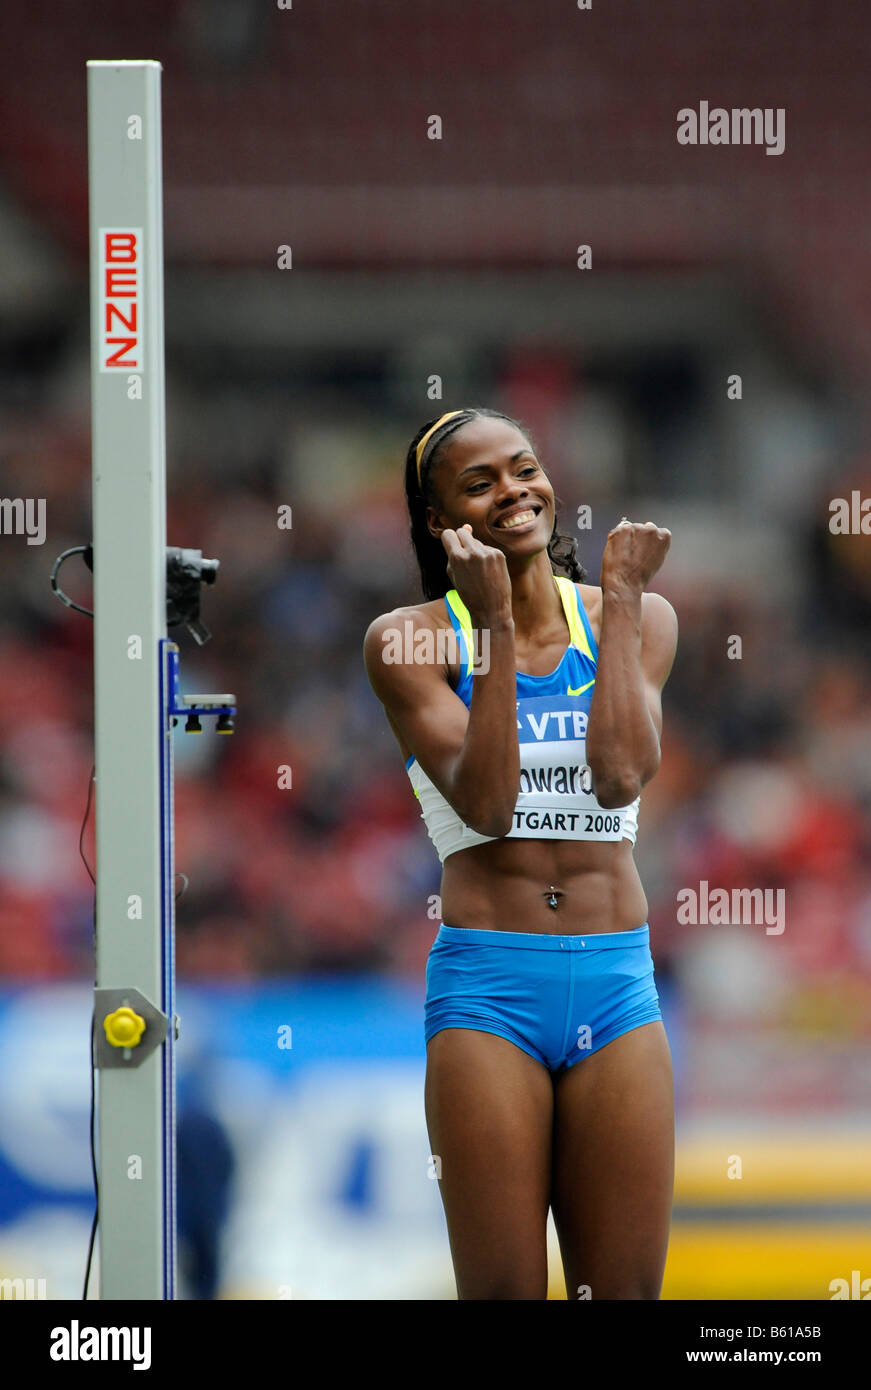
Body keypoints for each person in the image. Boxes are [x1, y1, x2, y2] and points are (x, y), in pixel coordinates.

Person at [363, 407, 678, 1299]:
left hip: (617, 983)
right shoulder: (408, 639)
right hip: (489, 990)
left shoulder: (637, 616)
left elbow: (619, 776)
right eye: (479, 482)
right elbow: (489, 805)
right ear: (439, 523)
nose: (514, 491)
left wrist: (617, 601)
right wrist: (495, 623)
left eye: (524, 467)